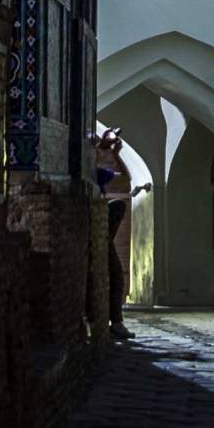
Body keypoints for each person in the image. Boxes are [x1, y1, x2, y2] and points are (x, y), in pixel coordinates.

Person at [91, 128, 139, 334]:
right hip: (95, 235)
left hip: (96, 233)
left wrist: (114, 153)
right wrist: (114, 154)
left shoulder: (94, 173)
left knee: (118, 205)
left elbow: (125, 179)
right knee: (116, 276)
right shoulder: (92, 173)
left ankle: (110, 322)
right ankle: (115, 324)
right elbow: (124, 178)